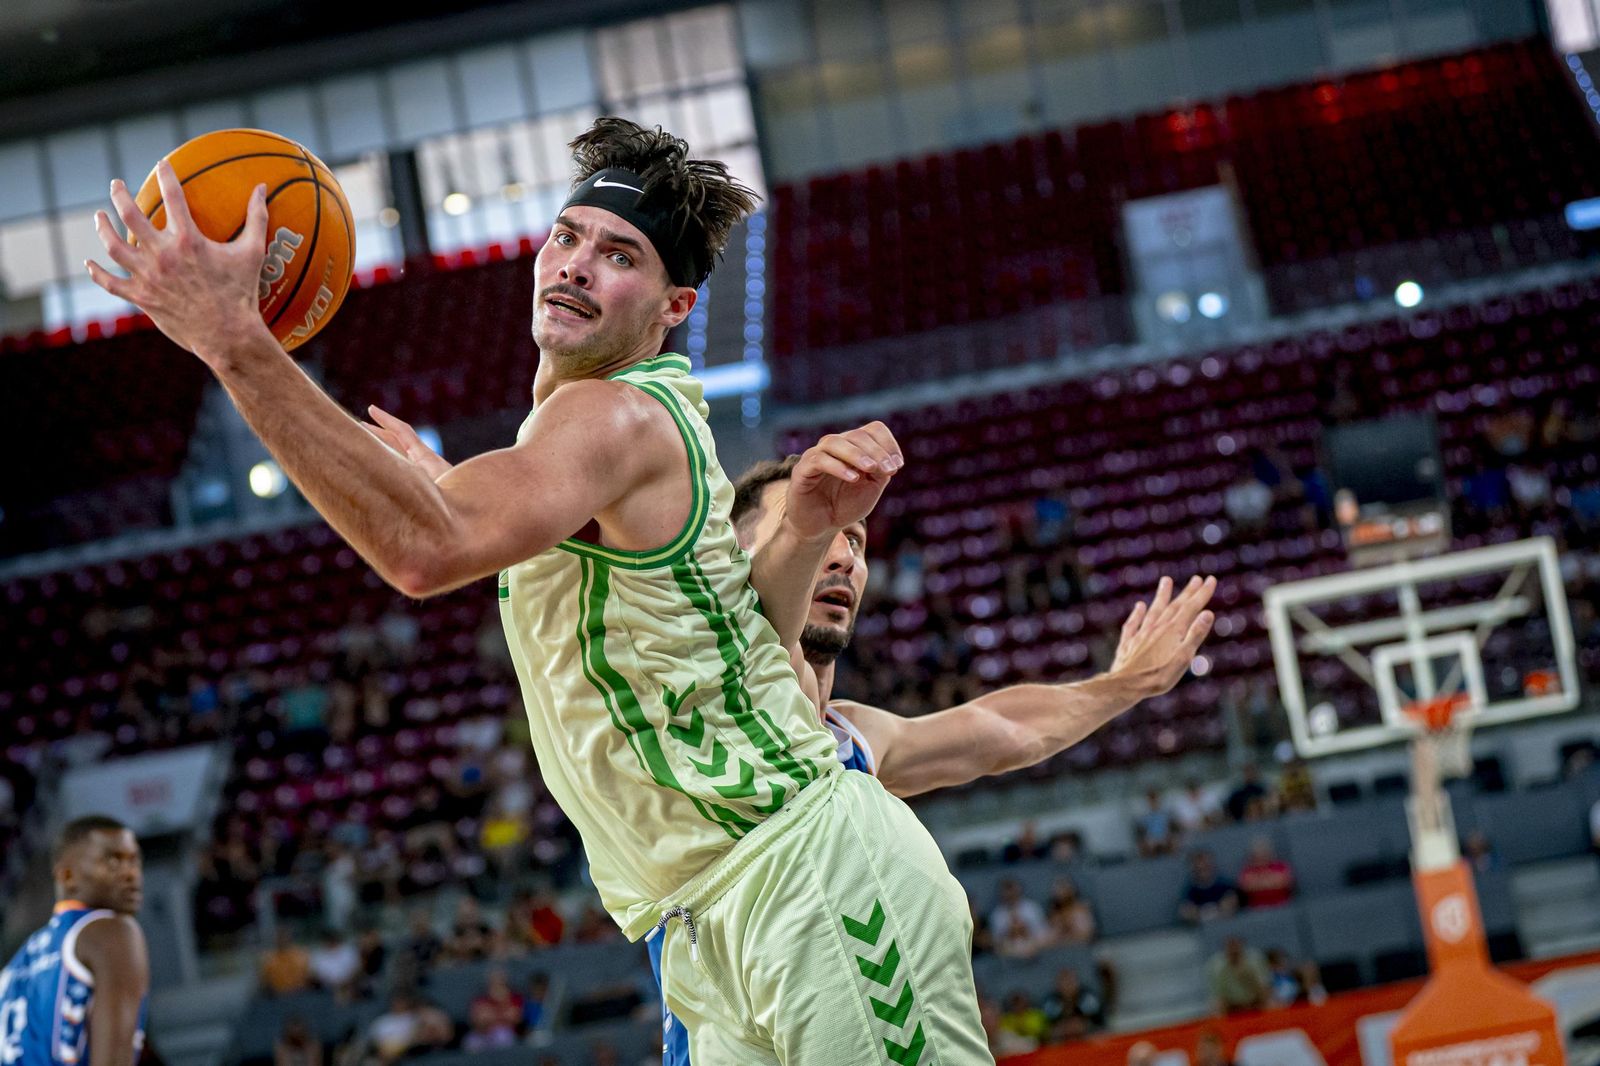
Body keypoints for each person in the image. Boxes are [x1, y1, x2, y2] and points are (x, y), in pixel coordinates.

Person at [88, 116, 987, 1065]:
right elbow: (498, 539)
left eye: (618, 256)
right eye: (566, 237)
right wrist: (440, 484)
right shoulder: (571, 437)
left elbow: (426, 554)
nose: (576, 265)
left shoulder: (619, 415)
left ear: (673, 306)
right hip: (701, 923)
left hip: (804, 874)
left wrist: (236, 341)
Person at [0, 815, 148, 1066]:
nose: (130, 874)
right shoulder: (112, 931)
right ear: (67, 876)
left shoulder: (16, 965)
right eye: (113, 861)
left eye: (134, 861)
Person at [1206, 938, 1272, 1015]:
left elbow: (1265, 987)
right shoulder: (1217, 967)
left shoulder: (1254, 961)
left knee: (1272, 1003)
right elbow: (1218, 995)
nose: (1234, 951)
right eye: (1231, 949)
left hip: (1256, 1001)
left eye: (1236, 948)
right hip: (1232, 1006)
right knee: (1215, 1009)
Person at [1180, 850, 1240, 924]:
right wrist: (1202, 914)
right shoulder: (1191, 888)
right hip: (1201, 924)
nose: (1202, 869)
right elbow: (1186, 909)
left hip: (1226, 921)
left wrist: (1219, 911)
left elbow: (1233, 899)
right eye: (1199, 869)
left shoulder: (1224, 883)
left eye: (1205, 867)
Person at [1237, 837, 1295, 909]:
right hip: (1256, 908)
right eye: (1257, 854)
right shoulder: (1247, 871)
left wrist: (1259, 882)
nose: (1261, 857)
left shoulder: (1280, 866)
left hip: (1283, 905)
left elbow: (1285, 882)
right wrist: (1270, 881)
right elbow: (1246, 887)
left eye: (1264, 853)